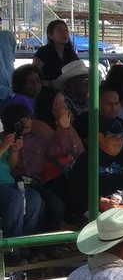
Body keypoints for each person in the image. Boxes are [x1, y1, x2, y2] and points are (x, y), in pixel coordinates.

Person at [21, 86, 82, 229]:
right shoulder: (39, 125)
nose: (63, 106)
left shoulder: (64, 123)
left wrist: (66, 126)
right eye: (57, 103)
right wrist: (63, 127)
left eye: (64, 102)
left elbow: (80, 150)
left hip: (66, 172)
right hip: (47, 176)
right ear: (48, 106)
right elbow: (60, 150)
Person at [0, 105, 43, 244]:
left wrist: (14, 151)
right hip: (4, 189)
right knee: (15, 198)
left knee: (34, 197)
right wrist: (3, 148)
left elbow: (10, 168)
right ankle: (11, 250)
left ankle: (24, 245)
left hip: (9, 184)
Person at [75, 83, 123, 150]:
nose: (114, 108)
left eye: (116, 103)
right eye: (109, 104)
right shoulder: (82, 122)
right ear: (98, 103)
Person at [33, 19, 80, 83]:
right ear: (51, 35)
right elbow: (34, 73)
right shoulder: (43, 52)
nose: (65, 33)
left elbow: (78, 68)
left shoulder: (70, 52)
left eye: (66, 30)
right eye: (60, 31)